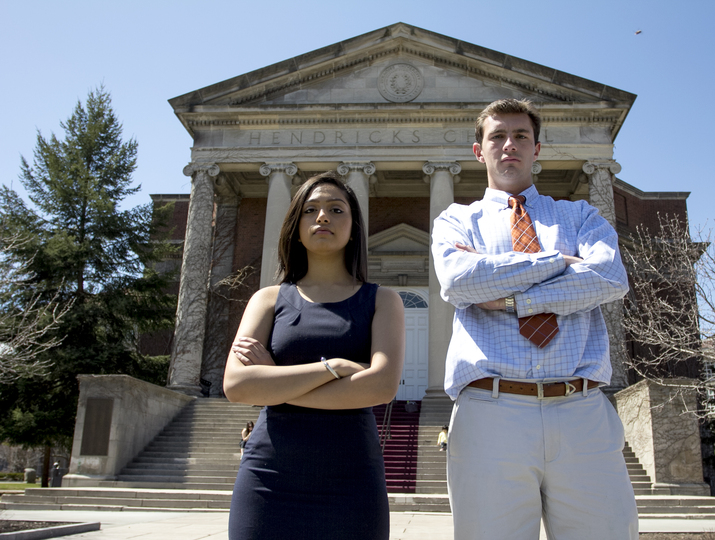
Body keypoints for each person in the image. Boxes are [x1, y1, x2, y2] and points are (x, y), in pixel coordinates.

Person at [431, 98, 639, 540]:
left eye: (521, 136)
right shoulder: (457, 220)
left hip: (581, 408)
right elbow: (459, 282)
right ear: (478, 150)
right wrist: (556, 263)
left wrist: (508, 299)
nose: (510, 145)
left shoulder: (581, 215)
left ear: (537, 149)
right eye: (497, 136)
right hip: (490, 412)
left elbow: (607, 278)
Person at [223, 172, 405, 540]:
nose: (322, 217)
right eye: (311, 210)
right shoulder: (268, 300)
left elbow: (382, 386)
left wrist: (274, 381)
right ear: (296, 226)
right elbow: (237, 385)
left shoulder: (383, 301)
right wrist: (331, 367)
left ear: (353, 228)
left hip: (352, 479)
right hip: (268, 477)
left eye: (336, 209)